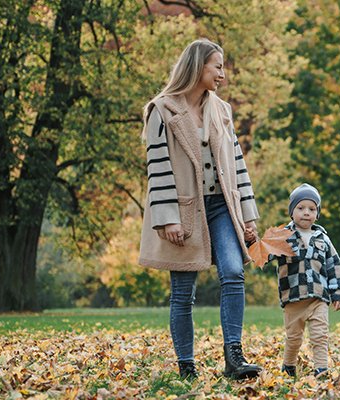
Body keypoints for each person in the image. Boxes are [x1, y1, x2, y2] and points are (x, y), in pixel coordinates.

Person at [137, 38, 262, 380]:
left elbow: (237, 165)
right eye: (217, 66)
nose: (223, 74)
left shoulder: (221, 110)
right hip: (183, 211)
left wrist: (247, 217)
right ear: (198, 67)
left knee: (234, 273)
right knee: (183, 292)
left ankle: (234, 358)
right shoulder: (161, 110)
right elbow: (158, 168)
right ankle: (186, 365)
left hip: (222, 207)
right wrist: (167, 219)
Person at [271, 183, 340, 378]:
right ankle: (288, 366)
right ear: (291, 212)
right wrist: (255, 243)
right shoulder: (283, 237)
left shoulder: (323, 239)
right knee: (294, 338)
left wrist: (337, 292)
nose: (306, 213)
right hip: (293, 297)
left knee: (320, 335)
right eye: (301, 208)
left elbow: (333, 265)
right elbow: (266, 253)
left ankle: (321, 369)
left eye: (312, 209)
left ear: (317, 213)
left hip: (318, 297)